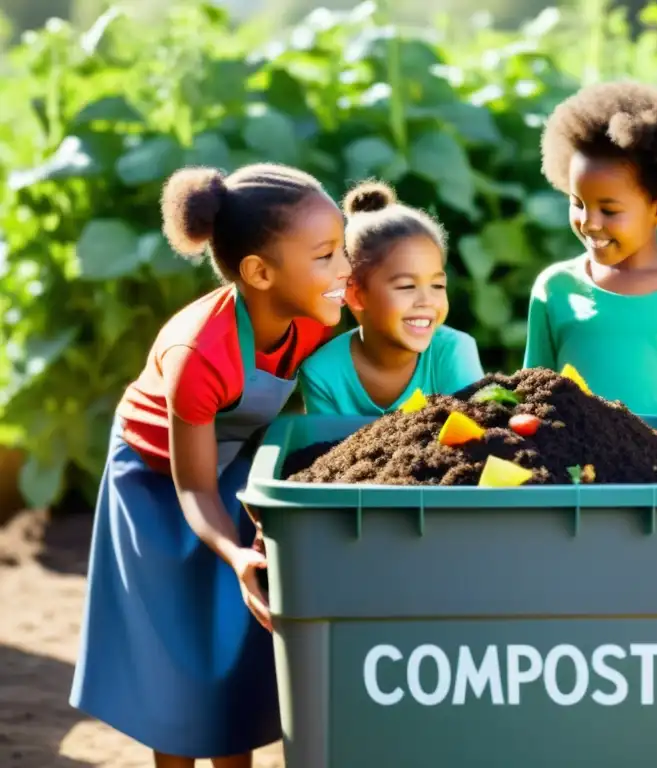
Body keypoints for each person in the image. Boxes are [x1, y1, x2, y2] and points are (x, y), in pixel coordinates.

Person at [70, 163, 352, 767]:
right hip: (154, 478)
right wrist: (235, 553)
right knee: (174, 648)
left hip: (236, 457)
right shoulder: (199, 352)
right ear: (259, 272)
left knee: (233, 645)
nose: (345, 270)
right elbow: (192, 487)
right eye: (328, 255)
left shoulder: (313, 315)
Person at [522, 80, 657, 418]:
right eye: (578, 203)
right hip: (575, 465)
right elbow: (532, 386)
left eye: (609, 210)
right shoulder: (554, 288)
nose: (589, 222)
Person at [299, 180, 484, 415]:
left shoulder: (453, 352)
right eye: (407, 286)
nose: (427, 301)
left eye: (437, 285)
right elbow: (325, 449)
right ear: (355, 295)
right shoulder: (322, 372)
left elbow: (475, 435)